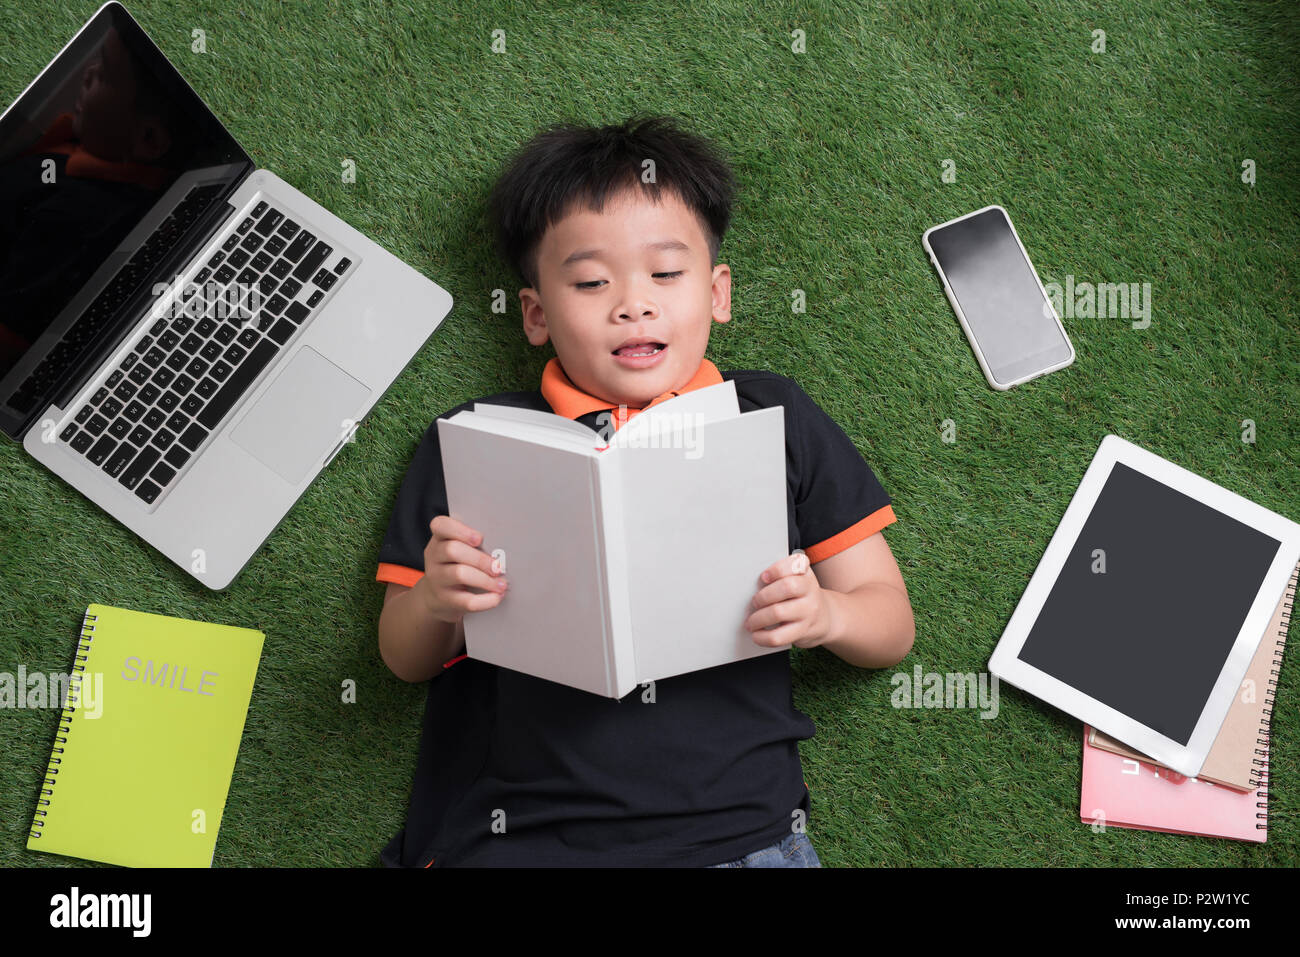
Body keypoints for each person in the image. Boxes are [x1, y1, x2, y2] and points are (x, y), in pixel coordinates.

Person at [376, 115, 915, 867]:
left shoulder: (770, 415)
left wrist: (824, 614)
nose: (633, 304)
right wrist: (437, 598)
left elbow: (890, 624)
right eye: (591, 282)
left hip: (740, 836)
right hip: (529, 841)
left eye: (666, 274)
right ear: (535, 313)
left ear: (719, 292)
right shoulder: (477, 439)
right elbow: (403, 656)